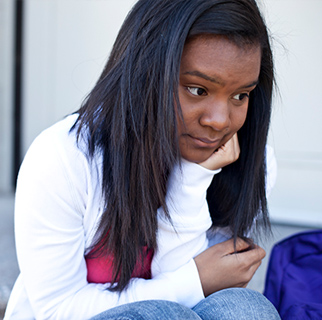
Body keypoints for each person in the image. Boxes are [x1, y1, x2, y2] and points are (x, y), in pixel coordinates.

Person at [5, 0, 281, 319]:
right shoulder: (63, 158)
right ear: (144, 74)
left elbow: (204, 306)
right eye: (197, 89)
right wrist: (195, 280)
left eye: (240, 95)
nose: (220, 121)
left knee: (245, 310)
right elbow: (58, 310)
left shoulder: (247, 165)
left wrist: (192, 178)